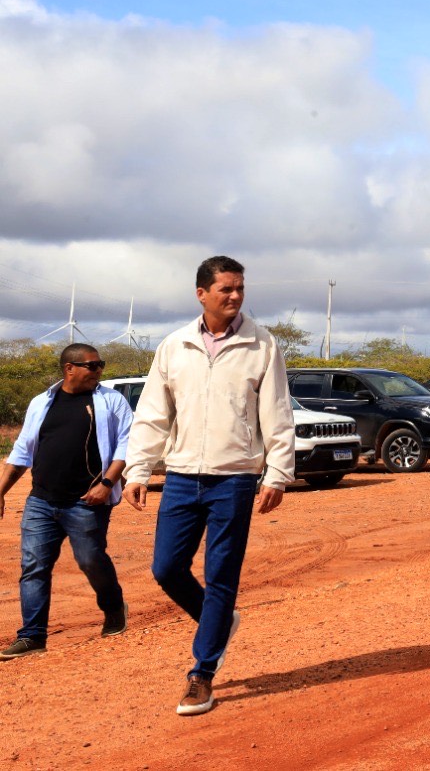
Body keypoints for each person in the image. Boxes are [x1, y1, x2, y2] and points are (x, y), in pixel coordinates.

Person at [124, 256, 296, 716]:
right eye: (226, 289)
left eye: (240, 288)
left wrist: (277, 472)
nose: (235, 296)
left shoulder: (262, 345)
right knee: (166, 568)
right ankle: (219, 623)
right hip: (180, 476)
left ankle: (201, 673)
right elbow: (153, 414)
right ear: (201, 293)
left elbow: (277, 413)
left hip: (235, 478)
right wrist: (138, 470)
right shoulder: (174, 345)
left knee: (222, 575)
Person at [1, 344, 132, 660]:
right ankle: (32, 637)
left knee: (90, 560)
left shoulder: (110, 401)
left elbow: (127, 447)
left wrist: (106, 484)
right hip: (41, 501)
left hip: (87, 501)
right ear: (69, 368)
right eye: (93, 365)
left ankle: (113, 606)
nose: (99, 371)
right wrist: (2, 490)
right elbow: (22, 452)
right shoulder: (41, 402)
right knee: (33, 566)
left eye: (100, 365)